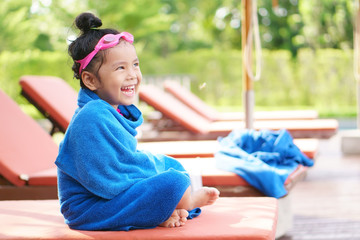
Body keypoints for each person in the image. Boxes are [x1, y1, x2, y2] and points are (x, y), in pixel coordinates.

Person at [55, 12, 219, 231]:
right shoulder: (91, 116)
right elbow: (108, 177)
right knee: (173, 183)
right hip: (90, 209)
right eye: (120, 68)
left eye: (135, 64)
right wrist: (158, 180)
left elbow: (126, 162)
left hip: (111, 198)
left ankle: (168, 207)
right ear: (90, 80)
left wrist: (157, 169)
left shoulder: (112, 111)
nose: (132, 74)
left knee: (172, 166)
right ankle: (180, 203)